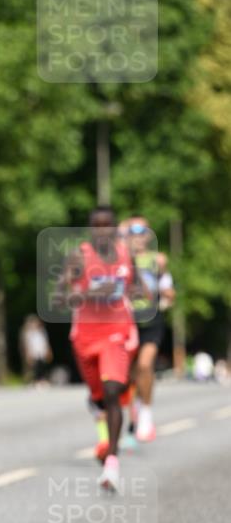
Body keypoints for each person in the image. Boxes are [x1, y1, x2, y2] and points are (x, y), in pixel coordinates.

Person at [59, 206, 145, 491]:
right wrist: (85, 293)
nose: (103, 231)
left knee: (112, 391)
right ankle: (103, 434)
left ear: (115, 228)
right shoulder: (79, 256)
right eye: (97, 226)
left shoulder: (125, 255)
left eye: (108, 225)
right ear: (90, 228)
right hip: (84, 336)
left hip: (116, 333)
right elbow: (60, 296)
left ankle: (112, 463)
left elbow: (141, 289)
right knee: (98, 397)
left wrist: (131, 291)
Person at [120, 216, 176, 443]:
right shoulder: (120, 260)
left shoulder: (158, 260)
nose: (138, 237)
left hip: (152, 322)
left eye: (143, 232)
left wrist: (165, 295)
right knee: (129, 376)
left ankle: (146, 414)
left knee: (145, 365)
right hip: (127, 323)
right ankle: (134, 416)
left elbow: (169, 291)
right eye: (133, 233)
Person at [19, 315, 52, 386]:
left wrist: (48, 351)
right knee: (34, 368)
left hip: (41, 353)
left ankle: (42, 380)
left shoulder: (42, 331)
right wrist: (27, 353)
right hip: (33, 353)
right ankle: (33, 381)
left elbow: (45, 342)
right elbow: (27, 344)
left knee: (42, 366)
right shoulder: (28, 333)